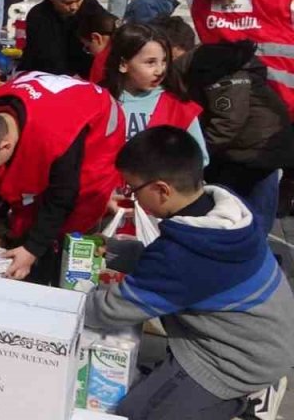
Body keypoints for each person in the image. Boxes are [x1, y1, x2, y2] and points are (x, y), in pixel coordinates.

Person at [88, 126, 294, 420]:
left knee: (136, 413)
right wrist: (114, 252)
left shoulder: (184, 252)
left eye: (132, 189)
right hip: (266, 335)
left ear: (161, 189)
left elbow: (111, 310)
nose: (132, 198)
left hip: (235, 360)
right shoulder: (218, 214)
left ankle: (246, 403)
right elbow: (163, 267)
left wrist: (74, 301)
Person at [0, 71, 125, 284]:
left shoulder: (55, 138)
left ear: (5, 145)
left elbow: (63, 196)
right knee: (23, 211)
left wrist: (33, 249)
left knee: (67, 227)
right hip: (52, 110)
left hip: (97, 138)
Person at [183, 37, 294, 236]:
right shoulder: (222, 64)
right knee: (255, 208)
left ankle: (252, 249)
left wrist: (197, 154)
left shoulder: (214, 68)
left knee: (244, 210)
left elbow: (227, 123)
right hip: (258, 147)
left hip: (256, 151)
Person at [102, 23, 209, 163]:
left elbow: (199, 159)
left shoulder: (179, 107)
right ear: (123, 64)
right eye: (150, 62)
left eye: (164, 61)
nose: (160, 71)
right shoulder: (100, 101)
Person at [19, 0, 105, 77]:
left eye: (78, 0)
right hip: (47, 74)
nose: (74, 7)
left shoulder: (90, 5)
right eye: (67, 3)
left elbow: (107, 30)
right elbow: (45, 55)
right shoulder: (39, 15)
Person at [78, 6, 119, 84]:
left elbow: (95, 91)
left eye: (87, 47)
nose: (90, 53)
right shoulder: (132, 49)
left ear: (96, 38)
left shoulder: (102, 60)